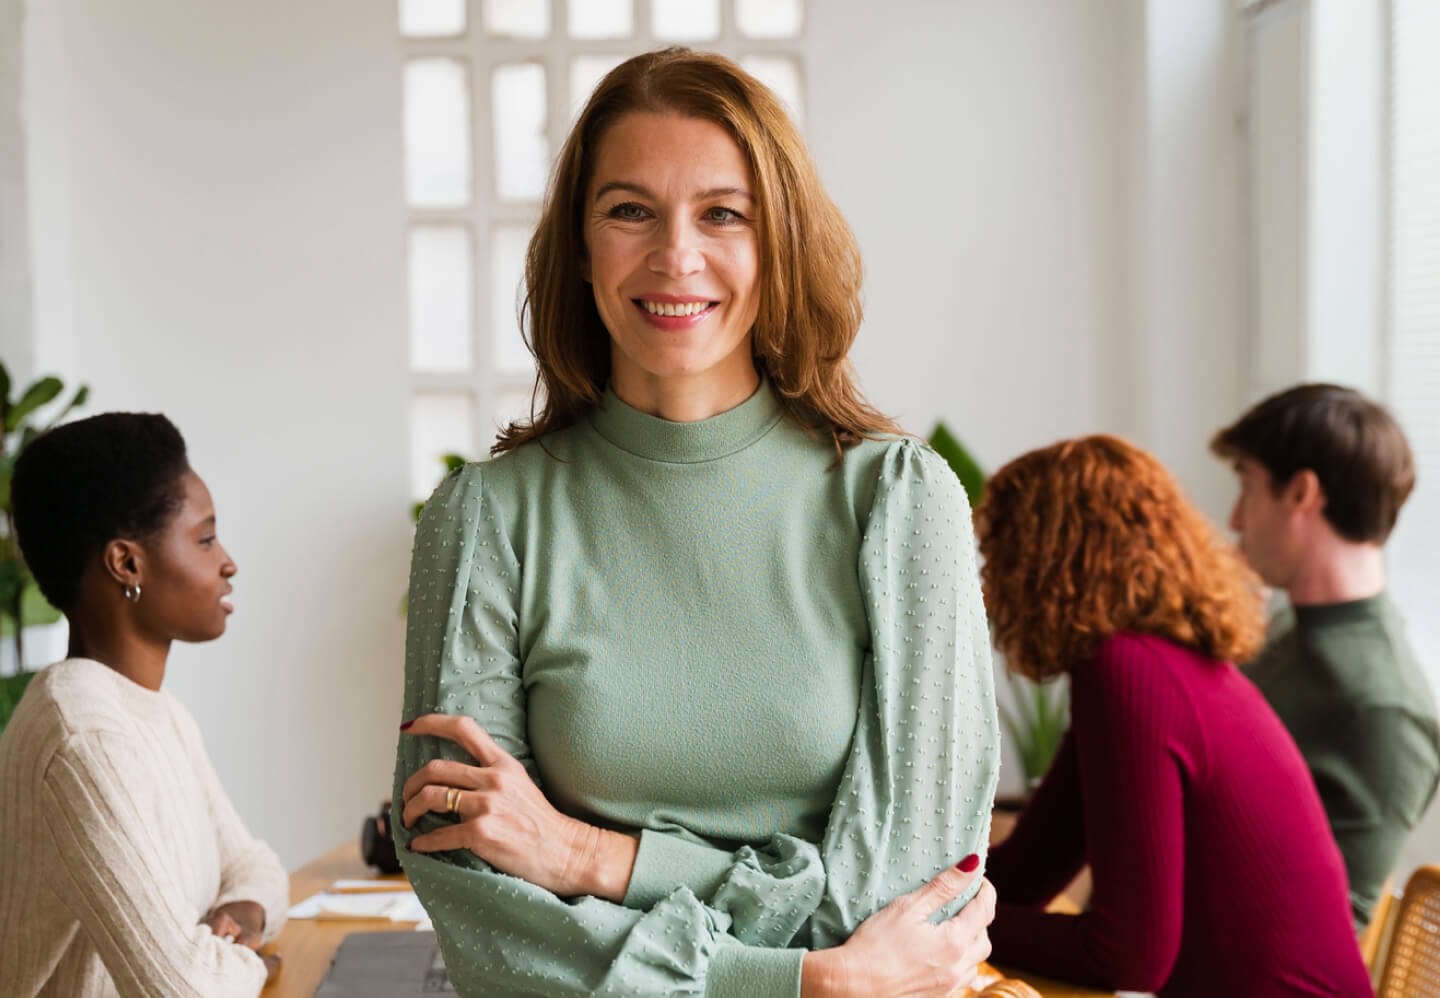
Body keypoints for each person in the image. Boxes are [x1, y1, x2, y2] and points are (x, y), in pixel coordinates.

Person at [391, 47, 1001, 997]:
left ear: (779, 242)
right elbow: (486, 910)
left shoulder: (897, 505)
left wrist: (588, 856)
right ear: (580, 245)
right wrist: (808, 982)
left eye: (723, 213)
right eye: (629, 211)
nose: (676, 256)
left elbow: (905, 901)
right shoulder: (485, 522)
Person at [977, 436, 1371, 996]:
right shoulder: (1149, 664)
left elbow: (1126, 958)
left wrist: (945, 929)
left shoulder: (1130, 671)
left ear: (1043, 560)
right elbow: (1026, 870)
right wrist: (908, 897)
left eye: (998, 554)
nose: (988, 581)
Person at [0, 412, 288, 997]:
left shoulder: (156, 713)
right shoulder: (83, 736)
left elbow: (256, 868)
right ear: (127, 564)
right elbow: (187, 990)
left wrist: (243, 915)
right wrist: (252, 963)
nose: (227, 562)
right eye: (205, 539)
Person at [1212, 383, 1440, 928]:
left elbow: (1325, 938)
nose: (1236, 519)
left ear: (1301, 493)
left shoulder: (1384, 709)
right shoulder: (1276, 630)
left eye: (1248, 486)